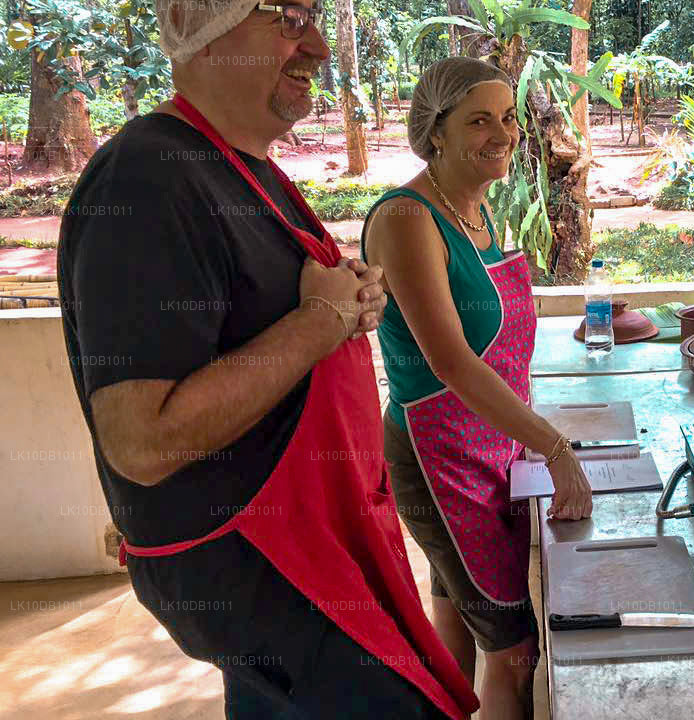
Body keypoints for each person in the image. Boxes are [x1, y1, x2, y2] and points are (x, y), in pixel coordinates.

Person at [57, 1, 478, 718]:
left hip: (307, 542)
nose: (317, 45)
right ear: (202, 28)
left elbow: (267, 317)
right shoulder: (147, 178)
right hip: (261, 561)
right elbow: (143, 440)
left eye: (314, 16)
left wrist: (348, 302)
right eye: (287, 16)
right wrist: (322, 321)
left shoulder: (243, 167)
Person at [361, 57, 594, 720]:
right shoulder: (406, 218)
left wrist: (529, 439)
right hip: (439, 460)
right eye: (479, 121)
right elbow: (453, 364)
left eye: (509, 118)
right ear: (435, 131)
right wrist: (554, 448)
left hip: (494, 451)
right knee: (514, 651)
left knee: (459, 622)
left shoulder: (479, 211)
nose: (504, 134)